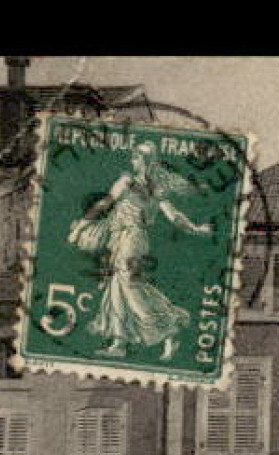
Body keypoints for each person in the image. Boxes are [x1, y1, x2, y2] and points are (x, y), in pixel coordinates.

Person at [70, 141, 212, 361]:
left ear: (144, 161)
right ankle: (120, 342)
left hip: (132, 240)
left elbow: (104, 204)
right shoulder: (152, 188)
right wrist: (195, 229)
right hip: (124, 239)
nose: (133, 160)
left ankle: (169, 327)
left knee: (130, 284)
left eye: (136, 157)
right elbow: (172, 215)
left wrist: (80, 227)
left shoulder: (135, 184)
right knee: (119, 285)